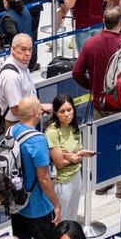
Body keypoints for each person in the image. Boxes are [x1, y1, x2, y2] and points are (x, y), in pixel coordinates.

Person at [9, 96, 61, 239]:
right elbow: (44, 178)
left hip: (17, 203)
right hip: (38, 207)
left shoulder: (11, 131)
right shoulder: (37, 140)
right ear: (36, 113)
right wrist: (56, 203)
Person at [72, 7, 121, 121]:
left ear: (103, 21)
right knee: (118, 135)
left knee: (100, 136)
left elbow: (76, 72)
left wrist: (92, 86)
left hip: (101, 102)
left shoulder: (90, 43)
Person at [45, 94, 96, 222]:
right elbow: (60, 163)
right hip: (62, 182)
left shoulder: (74, 126)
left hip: (76, 176)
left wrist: (77, 156)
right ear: (56, 113)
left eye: (69, 110)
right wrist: (75, 157)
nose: (67, 114)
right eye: (62, 111)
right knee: (61, 219)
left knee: (72, 217)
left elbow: (77, 152)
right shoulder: (52, 132)